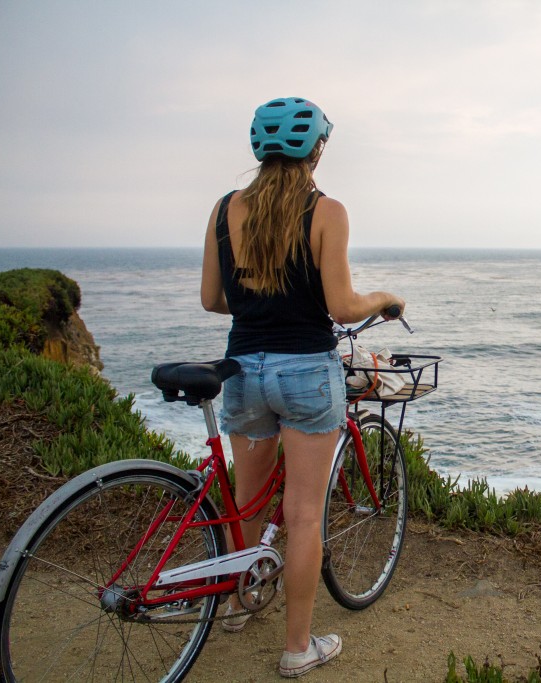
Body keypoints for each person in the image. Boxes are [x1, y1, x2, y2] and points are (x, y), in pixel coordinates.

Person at [200, 96, 405, 678]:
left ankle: (238, 604)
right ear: (316, 150)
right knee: (305, 514)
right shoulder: (327, 211)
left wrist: (260, 306)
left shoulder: (224, 209)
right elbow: (342, 306)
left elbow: (213, 299)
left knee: (246, 501)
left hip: (243, 371)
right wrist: (383, 299)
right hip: (306, 374)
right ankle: (297, 648)